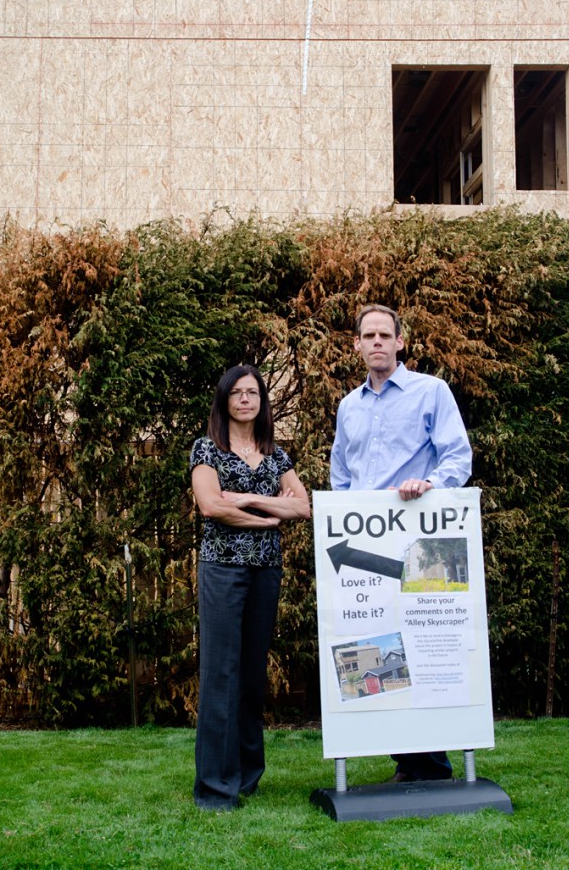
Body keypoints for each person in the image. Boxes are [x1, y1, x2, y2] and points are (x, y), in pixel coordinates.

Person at [330, 304, 472, 783]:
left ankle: (430, 763)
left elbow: (457, 457)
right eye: (368, 335)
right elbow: (341, 474)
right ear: (356, 345)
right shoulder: (348, 407)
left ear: (400, 342)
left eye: (384, 335)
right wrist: (342, 520)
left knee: (423, 643)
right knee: (377, 645)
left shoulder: (431, 391)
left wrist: (430, 484)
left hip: (418, 539)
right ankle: (407, 761)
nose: (377, 342)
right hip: (364, 545)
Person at [190, 364, 310, 811]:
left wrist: (246, 499)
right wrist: (267, 518)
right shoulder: (207, 449)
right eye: (237, 393)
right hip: (223, 569)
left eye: (252, 392)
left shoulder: (276, 455)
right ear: (224, 401)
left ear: (262, 401)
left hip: (265, 571)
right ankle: (215, 787)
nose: (245, 399)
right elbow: (210, 506)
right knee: (220, 673)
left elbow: (303, 507)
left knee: (252, 675)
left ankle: (246, 777)